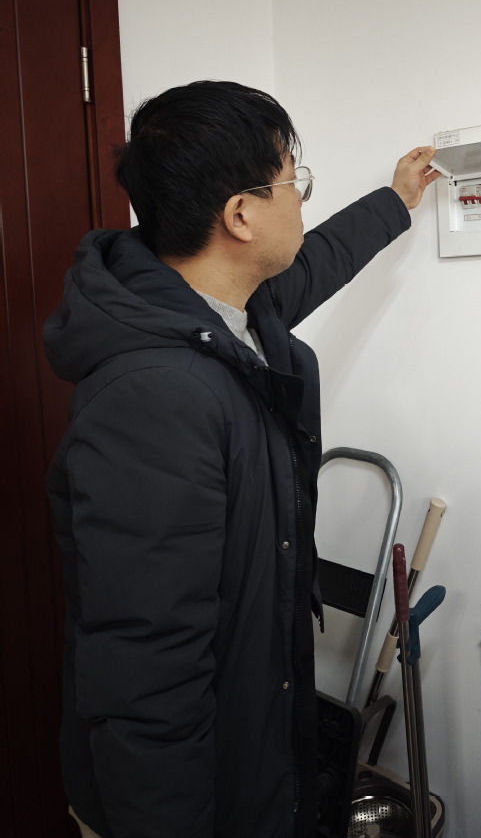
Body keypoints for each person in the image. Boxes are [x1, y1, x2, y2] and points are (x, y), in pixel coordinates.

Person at [44, 80, 440, 838]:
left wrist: (395, 200)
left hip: (247, 746)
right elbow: (146, 670)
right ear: (240, 215)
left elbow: (316, 262)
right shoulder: (154, 396)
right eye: (295, 181)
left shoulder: (224, 312)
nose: (302, 201)